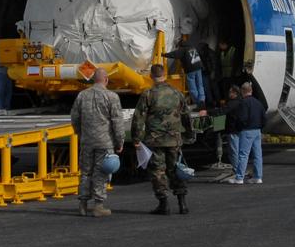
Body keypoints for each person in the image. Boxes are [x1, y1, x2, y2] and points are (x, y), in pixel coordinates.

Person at [131, 63, 193, 215]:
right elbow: (186, 115)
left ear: (151, 76)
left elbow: (138, 118)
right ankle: (182, 203)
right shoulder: (177, 93)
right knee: (176, 169)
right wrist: (189, 134)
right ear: (165, 75)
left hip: (155, 140)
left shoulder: (148, 94)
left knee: (158, 171)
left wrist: (136, 138)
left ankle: (163, 203)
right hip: (174, 139)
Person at [69, 68, 125, 217]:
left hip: (87, 141)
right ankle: (98, 205)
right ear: (106, 79)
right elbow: (117, 122)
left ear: (93, 79)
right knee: (101, 173)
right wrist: (120, 141)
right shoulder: (111, 97)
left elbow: (74, 117)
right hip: (104, 142)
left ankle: (82, 204)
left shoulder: (82, 95)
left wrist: (80, 133)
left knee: (85, 172)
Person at [227, 82, 265, 185]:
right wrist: (260, 128)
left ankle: (239, 178)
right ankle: (258, 177)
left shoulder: (243, 103)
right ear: (251, 90)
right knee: (258, 155)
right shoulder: (258, 102)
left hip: (247, 131)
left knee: (243, 155)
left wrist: (239, 128)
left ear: (243, 91)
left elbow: (242, 118)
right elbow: (263, 117)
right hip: (257, 131)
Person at [165, 34, 206, 108]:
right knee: (200, 85)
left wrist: (164, 54)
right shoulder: (192, 47)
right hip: (199, 68)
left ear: (180, 44)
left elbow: (175, 54)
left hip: (191, 70)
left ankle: (199, 104)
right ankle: (202, 100)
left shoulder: (183, 49)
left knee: (192, 87)